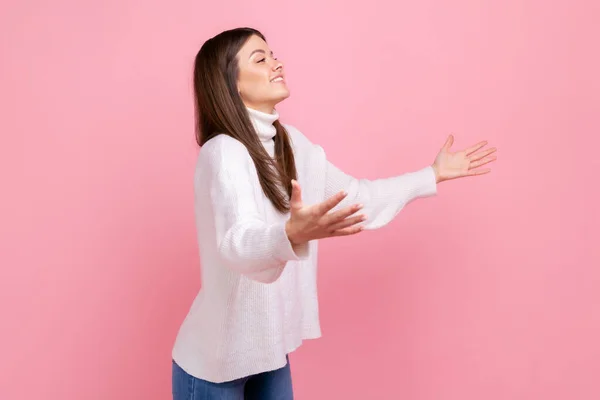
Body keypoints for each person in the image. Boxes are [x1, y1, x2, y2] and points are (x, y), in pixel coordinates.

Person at [171, 27, 497, 400]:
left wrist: (431, 174)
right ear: (231, 84)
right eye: (260, 59)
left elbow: (357, 197)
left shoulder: (291, 144)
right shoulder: (224, 152)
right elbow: (237, 243)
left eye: (272, 54)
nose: (277, 63)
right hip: (215, 364)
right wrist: (289, 235)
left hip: (269, 351)